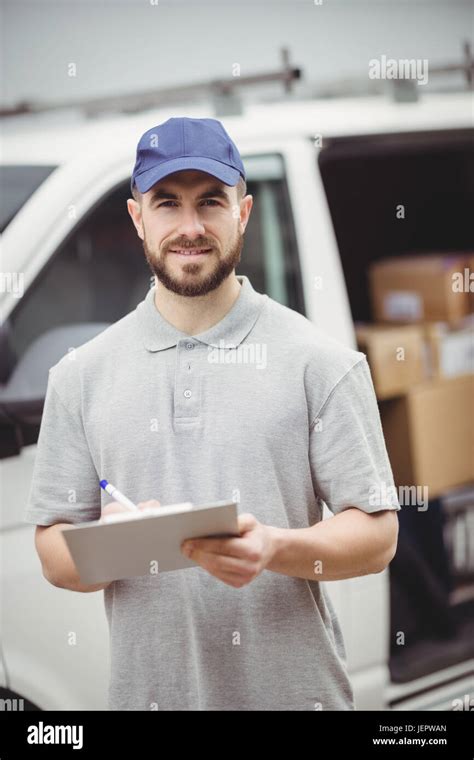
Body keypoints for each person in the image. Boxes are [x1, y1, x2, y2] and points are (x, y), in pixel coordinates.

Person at [26, 116, 400, 711]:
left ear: (243, 213)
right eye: (168, 203)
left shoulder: (320, 363)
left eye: (211, 202)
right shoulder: (79, 377)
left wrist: (275, 548)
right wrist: (112, 547)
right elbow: (53, 550)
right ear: (137, 218)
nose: (191, 227)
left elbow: (379, 537)